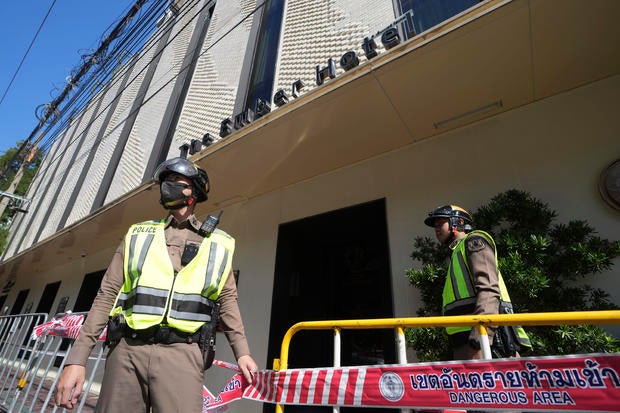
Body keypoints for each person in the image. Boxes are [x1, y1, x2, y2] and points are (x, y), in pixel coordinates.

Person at [55, 157, 258, 412]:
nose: (168, 187)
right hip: (127, 351)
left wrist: (243, 352)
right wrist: (78, 358)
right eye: (166, 182)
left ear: (193, 192)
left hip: (184, 354)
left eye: (177, 183)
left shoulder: (219, 243)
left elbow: (227, 301)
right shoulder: (139, 234)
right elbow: (106, 294)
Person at [424, 205, 531, 361]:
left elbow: (489, 290)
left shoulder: (474, 241)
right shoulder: (457, 253)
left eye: (441, 223)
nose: (437, 229)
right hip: (465, 340)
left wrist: (481, 338)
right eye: (435, 226)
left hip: (487, 340)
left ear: (458, 222)